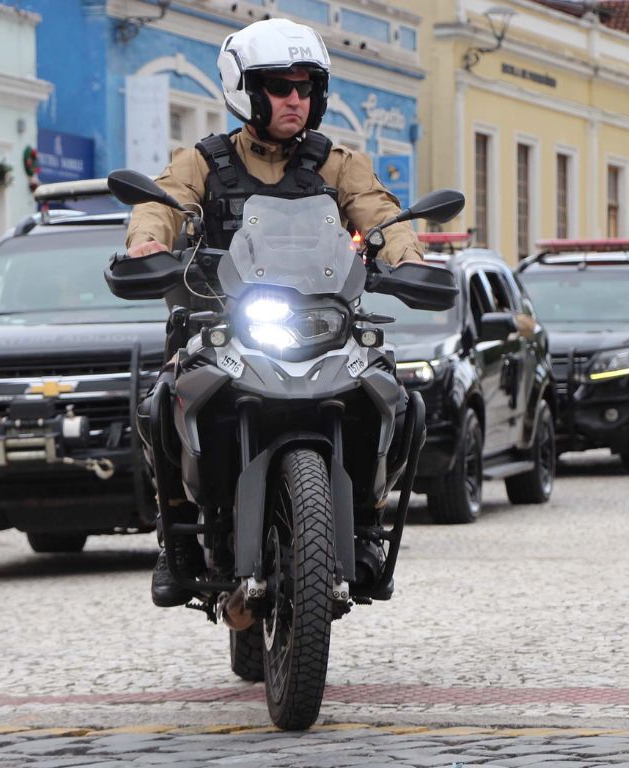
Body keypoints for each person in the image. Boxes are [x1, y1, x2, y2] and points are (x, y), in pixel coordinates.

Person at [126, 18, 424, 608]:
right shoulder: (202, 161)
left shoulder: (339, 163)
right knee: (160, 402)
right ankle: (178, 537)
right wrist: (148, 243)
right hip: (224, 325)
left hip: (324, 323)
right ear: (245, 90)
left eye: (306, 87)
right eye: (281, 87)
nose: (296, 99)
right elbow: (163, 205)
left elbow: (378, 212)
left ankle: (366, 518)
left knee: (401, 400)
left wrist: (407, 256)